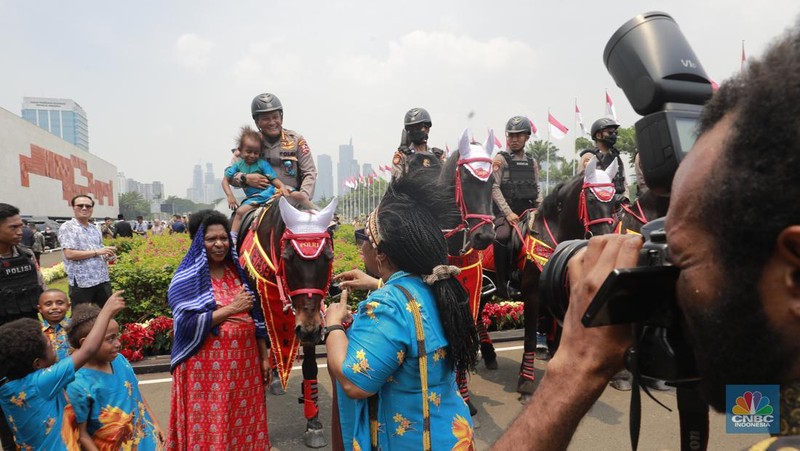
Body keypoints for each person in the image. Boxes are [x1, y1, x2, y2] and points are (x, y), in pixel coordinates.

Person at [494, 24, 800, 449]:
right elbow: (763, 410)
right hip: (517, 211)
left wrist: (571, 376)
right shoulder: (784, 414)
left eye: (681, 257)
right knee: (501, 241)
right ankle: (506, 278)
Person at [326, 175, 479, 450]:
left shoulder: (386, 305)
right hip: (451, 434)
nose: (361, 247)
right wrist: (377, 283)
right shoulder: (439, 285)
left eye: (365, 238)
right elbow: (413, 308)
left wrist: (333, 325)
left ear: (381, 253)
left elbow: (354, 383)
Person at [166, 210, 271, 449]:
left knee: (242, 420)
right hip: (205, 373)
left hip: (244, 369)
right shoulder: (186, 279)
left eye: (223, 238)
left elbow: (256, 318)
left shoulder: (238, 273)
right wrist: (231, 309)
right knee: (212, 422)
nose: (219, 244)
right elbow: (186, 323)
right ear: (198, 242)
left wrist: (264, 357)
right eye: (211, 239)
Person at [0, 291, 125, 450]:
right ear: (37, 363)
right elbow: (88, 350)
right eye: (48, 345)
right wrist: (106, 311)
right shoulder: (40, 383)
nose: (53, 344)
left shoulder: (6, 385)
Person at [66, 303, 165, 450]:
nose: (118, 343)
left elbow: (136, 394)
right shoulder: (77, 383)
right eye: (110, 339)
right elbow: (82, 434)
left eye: (117, 336)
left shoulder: (119, 360)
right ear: (87, 343)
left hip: (146, 443)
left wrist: (155, 423)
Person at [0, 203, 46, 451]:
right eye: (14, 227)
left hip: (30, 348)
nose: (21, 230)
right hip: (2, 355)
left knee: (35, 409)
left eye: (21, 225)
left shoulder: (27, 255)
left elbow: (41, 292)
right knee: (7, 418)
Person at [228, 93, 317, 210]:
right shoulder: (249, 143)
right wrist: (245, 178)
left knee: (325, 224)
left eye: (275, 117)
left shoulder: (296, 141)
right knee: (235, 221)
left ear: (281, 117)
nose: (272, 122)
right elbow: (229, 174)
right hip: (258, 203)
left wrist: (303, 197)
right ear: (257, 122)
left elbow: (309, 173)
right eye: (266, 119)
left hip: (294, 202)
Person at [491, 115, 540, 299]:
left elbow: (536, 188)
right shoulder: (500, 159)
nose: (514, 139)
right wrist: (508, 213)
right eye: (511, 135)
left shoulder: (532, 161)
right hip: (507, 215)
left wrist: (539, 210)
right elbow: (494, 187)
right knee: (502, 236)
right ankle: (503, 284)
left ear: (527, 137)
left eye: (518, 135)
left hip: (528, 213)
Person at [223, 125, 292, 235]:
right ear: (240, 151)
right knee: (239, 212)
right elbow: (225, 180)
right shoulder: (237, 165)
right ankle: (234, 239)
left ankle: (233, 238)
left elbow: (274, 180)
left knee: (240, 212)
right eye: (248, 151)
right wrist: (230, 195)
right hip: (252, 198)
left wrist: (282, 187)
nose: (252, 155)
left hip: (266, 194)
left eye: (256, 153)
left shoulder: (262, 164)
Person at [59, 195, 117, 307]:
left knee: (105, 315)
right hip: (82, 283)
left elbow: (100, 251)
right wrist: (97, 252)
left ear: (92, 209)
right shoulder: (68, 228)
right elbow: (69, 254)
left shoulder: (94, 228)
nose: (84, 208)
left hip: (102, 279)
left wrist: (107, 255)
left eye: (88, 206)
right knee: (82, 319)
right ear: (73, 207)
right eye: (80, 205)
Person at [582, 118, 628, 201]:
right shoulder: (589, 156)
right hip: (598, 204)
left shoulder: (616, 157)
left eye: (615, 132)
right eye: (610, 132)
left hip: (620, 202)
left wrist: (626, 199)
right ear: (598, 135)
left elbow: (624, 182)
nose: (613, 135)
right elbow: (582, 184)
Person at [392, 107, 445, 179]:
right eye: (411, 128)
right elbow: (396, 183)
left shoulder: (438, 155)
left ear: (427, 128)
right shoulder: (403, 157)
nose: (415, 131)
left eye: (418, 127)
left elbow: (447, 180)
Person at [38, 288, 72, 362]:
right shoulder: (37, 332)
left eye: (60, 303)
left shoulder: (76, 327)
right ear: (40, 309)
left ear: (68, 306)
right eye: (48, 304)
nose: (54, 307)